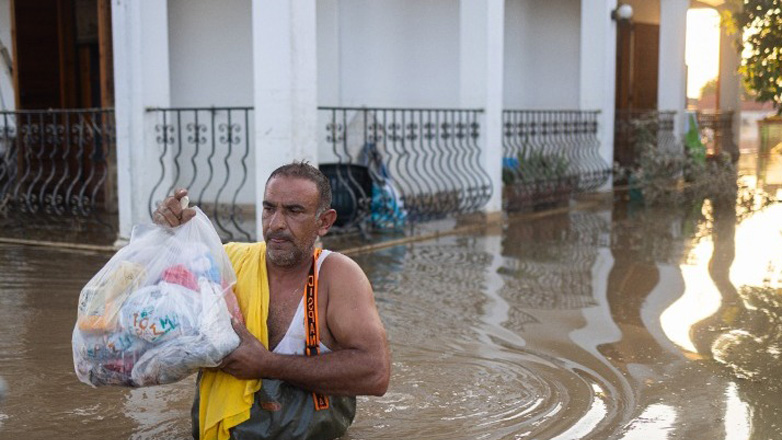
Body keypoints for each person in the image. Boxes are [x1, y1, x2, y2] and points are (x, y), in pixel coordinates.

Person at [154, 161, 391, 440]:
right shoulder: (227, 264)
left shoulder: (337, 276)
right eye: (269, 208)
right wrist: (169, 237)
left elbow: (376, 374)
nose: (276, 224)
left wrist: (266, 364)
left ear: (324, 222)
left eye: (294, 211)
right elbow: (158, 316)